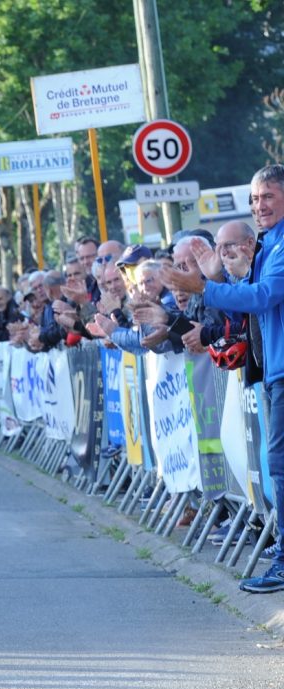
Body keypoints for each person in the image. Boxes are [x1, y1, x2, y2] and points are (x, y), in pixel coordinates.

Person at [160, 164, 284, 592]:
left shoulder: (281, 244)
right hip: (272, 370)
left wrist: (205, 288)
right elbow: (244, 305)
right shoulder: (269, 242)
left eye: (267, 196)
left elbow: (264, 296)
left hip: (281, 370)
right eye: (254, 199)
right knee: (277, 466)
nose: (259, 205)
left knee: (279, 467)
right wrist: (215, 277)